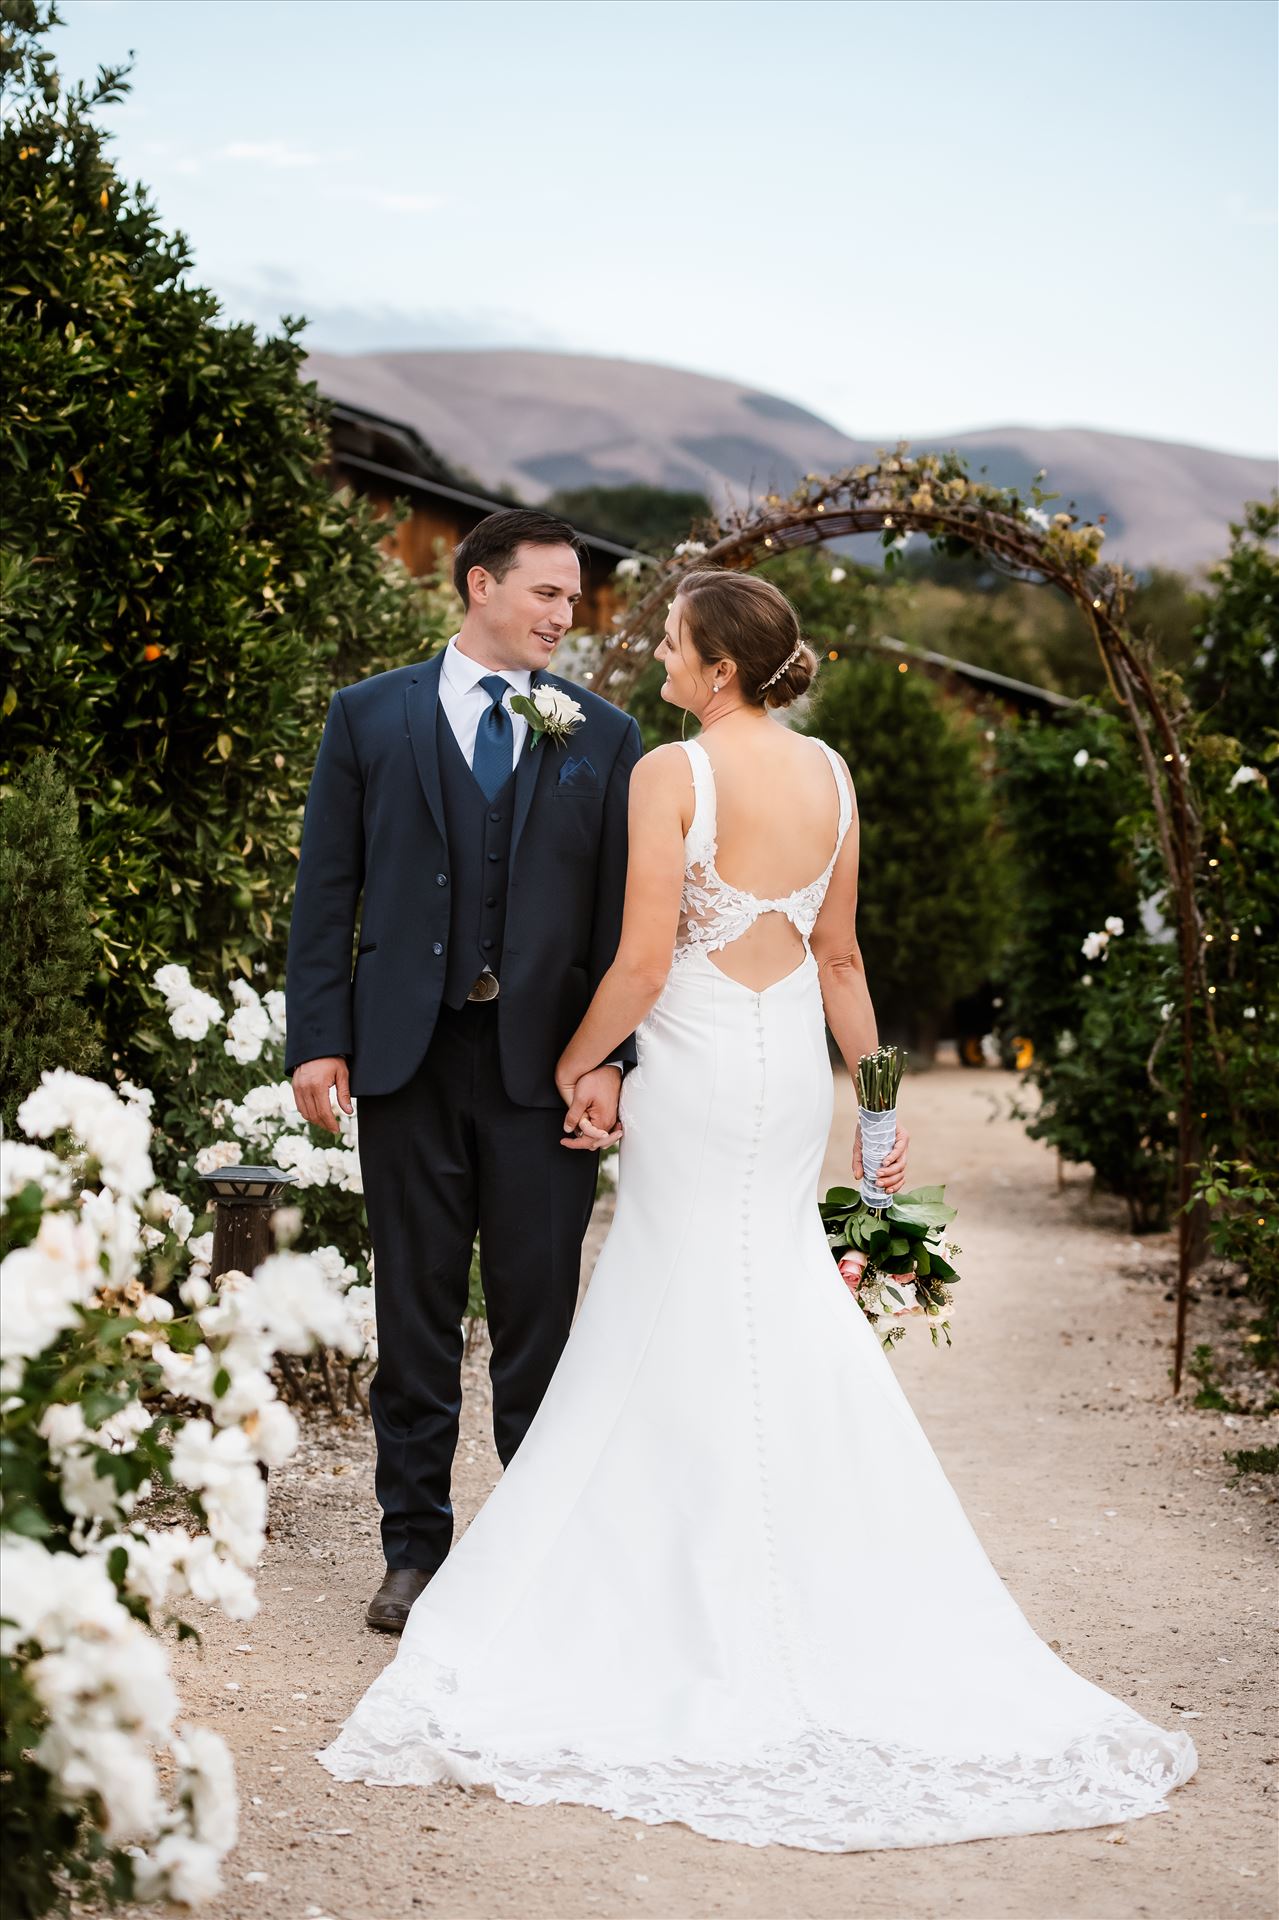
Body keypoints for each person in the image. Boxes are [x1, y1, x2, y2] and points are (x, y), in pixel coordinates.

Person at [316, 570, 1197, 1850]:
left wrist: (576, 1066)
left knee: (675, 1299)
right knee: (771, 1295)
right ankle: (817, 1562)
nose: (659, 656)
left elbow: (636, 959)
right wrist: (881, 1117)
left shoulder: (675, 775)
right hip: (789, 1079)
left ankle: (676, 1571)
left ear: (716, 667)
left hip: (692, 1071)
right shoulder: (834, 777)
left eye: (673, 641)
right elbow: (841, 961)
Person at [286, 509, 641, 1632]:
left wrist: (611, 1061)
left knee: (540, 1319)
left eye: (571, 598)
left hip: (546, 1070)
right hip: (406, 1055)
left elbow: (622, 921)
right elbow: (326, 890)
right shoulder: (367, 716)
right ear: (480, 583)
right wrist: (318, 1036)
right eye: (544, 592)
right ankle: (413, 1551)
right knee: (417, 1307)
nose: (562, 614)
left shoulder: (604, 736)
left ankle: (531, 1555)